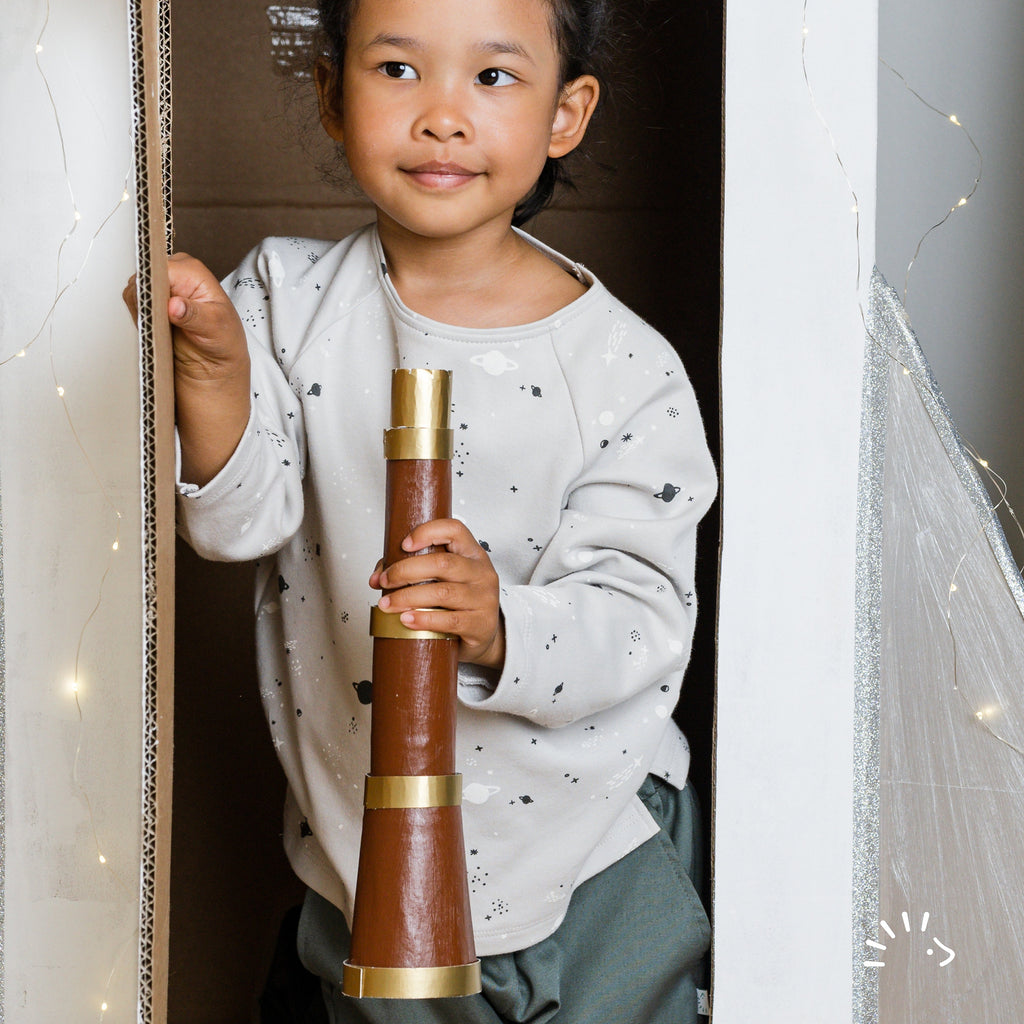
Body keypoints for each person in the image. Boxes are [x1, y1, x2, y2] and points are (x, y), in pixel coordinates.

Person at [150, 0, 716, 1019]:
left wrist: (501, 623)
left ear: (565, 113)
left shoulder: (624, 367)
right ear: (332, 93)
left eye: (492, 77)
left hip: (594, 845)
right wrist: (215, 374)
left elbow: (642, 619)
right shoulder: (282, 301)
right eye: (399, 69)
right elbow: (238, 523)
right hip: (362, 851)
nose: (442, 115)